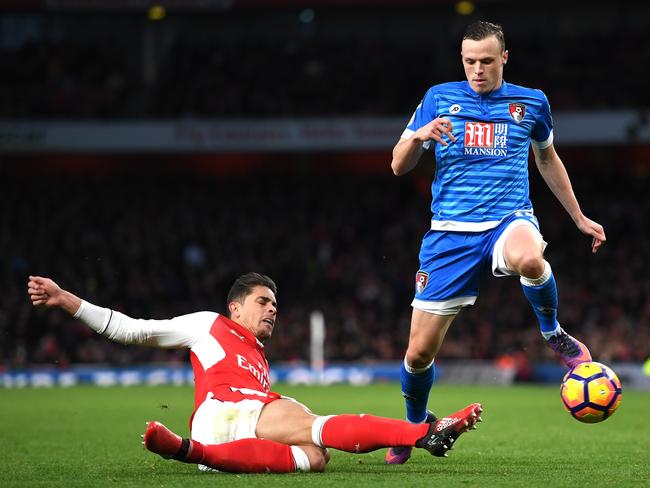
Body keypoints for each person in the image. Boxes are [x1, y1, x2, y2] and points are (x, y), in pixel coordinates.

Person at [385, 20, 606, 465]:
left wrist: (578, 217)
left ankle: (553, 332)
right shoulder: (437, 98)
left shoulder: (531, 102)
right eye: (470, 61)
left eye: (487, 61)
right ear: (461, 60)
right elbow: (397, 165)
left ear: (504, 58)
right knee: (417, 353)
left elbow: (547, 160)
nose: (478, 70)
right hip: (449, 234)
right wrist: (419, 136)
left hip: (509, 219)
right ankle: (413, 427)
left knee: (530, 257)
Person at [27, 273, 482, 474]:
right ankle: (423, 434)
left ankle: (190, 453)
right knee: (310, 423)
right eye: (263, 302)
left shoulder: (258, 356)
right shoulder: (207, 324)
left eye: (275, 306)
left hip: (239, 427)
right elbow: (131, 330)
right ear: (235, 306)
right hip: (224, 410)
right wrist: (66, 299)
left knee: (316, 457)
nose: (272, 310)